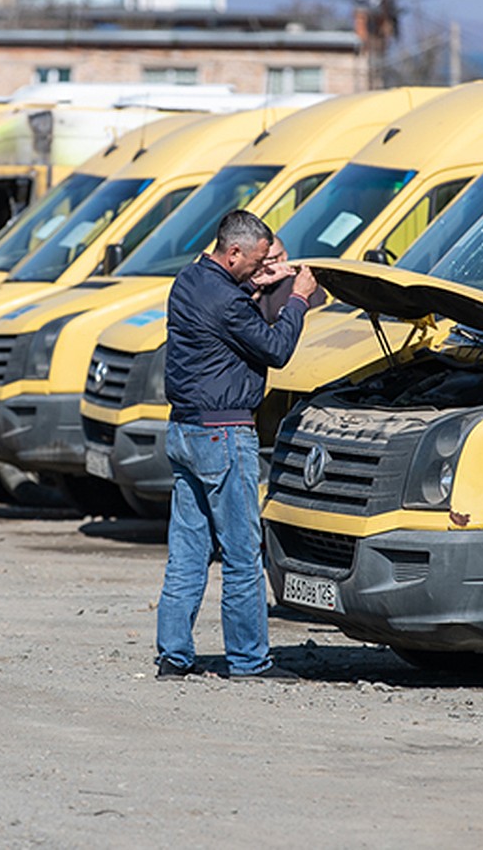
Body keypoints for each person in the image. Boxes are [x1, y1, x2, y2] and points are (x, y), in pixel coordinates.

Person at [156, 210, 318, 681]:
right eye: (257, 259)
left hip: (184, 432)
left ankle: (173, 656)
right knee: (243, 555)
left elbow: (226, 305)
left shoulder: (188, 281)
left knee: (186, 553)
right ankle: (249, 660)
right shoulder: (229, 302)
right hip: (224, 435)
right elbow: (276, 348)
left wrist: (258, 283)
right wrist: (298, 300)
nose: (261, 265)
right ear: (232, 253)